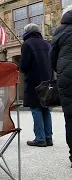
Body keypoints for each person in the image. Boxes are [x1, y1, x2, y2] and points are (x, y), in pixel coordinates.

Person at [20, 23, 53, 147]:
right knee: (46, 108)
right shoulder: (47, 44)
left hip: (34, 81)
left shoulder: (27, 44)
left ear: (26, 32)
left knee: (36, 108)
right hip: (47, 80)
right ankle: (48, 137)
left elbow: (23, 66)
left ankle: (40, 138)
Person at [49, 6, 72, 167]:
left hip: (67, 79)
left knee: (70, 118)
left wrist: (61, 72)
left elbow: (52, 58)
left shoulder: (61, 30)